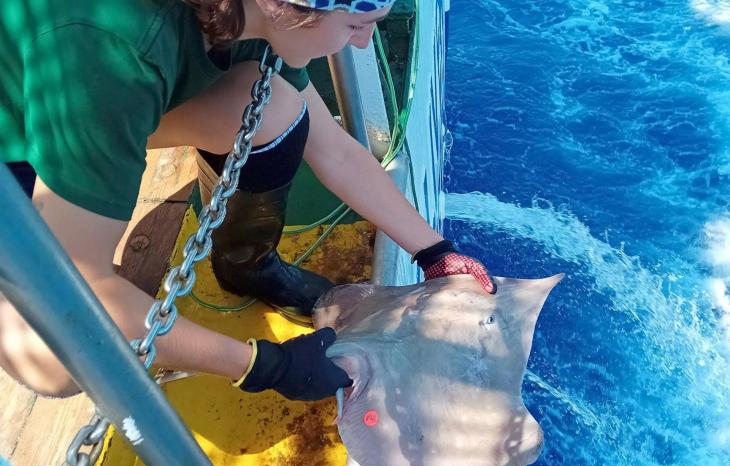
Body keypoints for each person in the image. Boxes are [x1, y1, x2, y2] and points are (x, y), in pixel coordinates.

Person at [0, 0, 496, 402]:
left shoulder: (256, 15)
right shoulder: (114, 49)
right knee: (52, 356)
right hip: (21, 139)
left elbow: (336, 152)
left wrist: (434, 252)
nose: (364, 41)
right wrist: (263, 365)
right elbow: (67, 301)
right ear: (287, 7)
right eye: (355, 25)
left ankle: (245, 266)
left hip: (76, 96)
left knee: (276, 108)